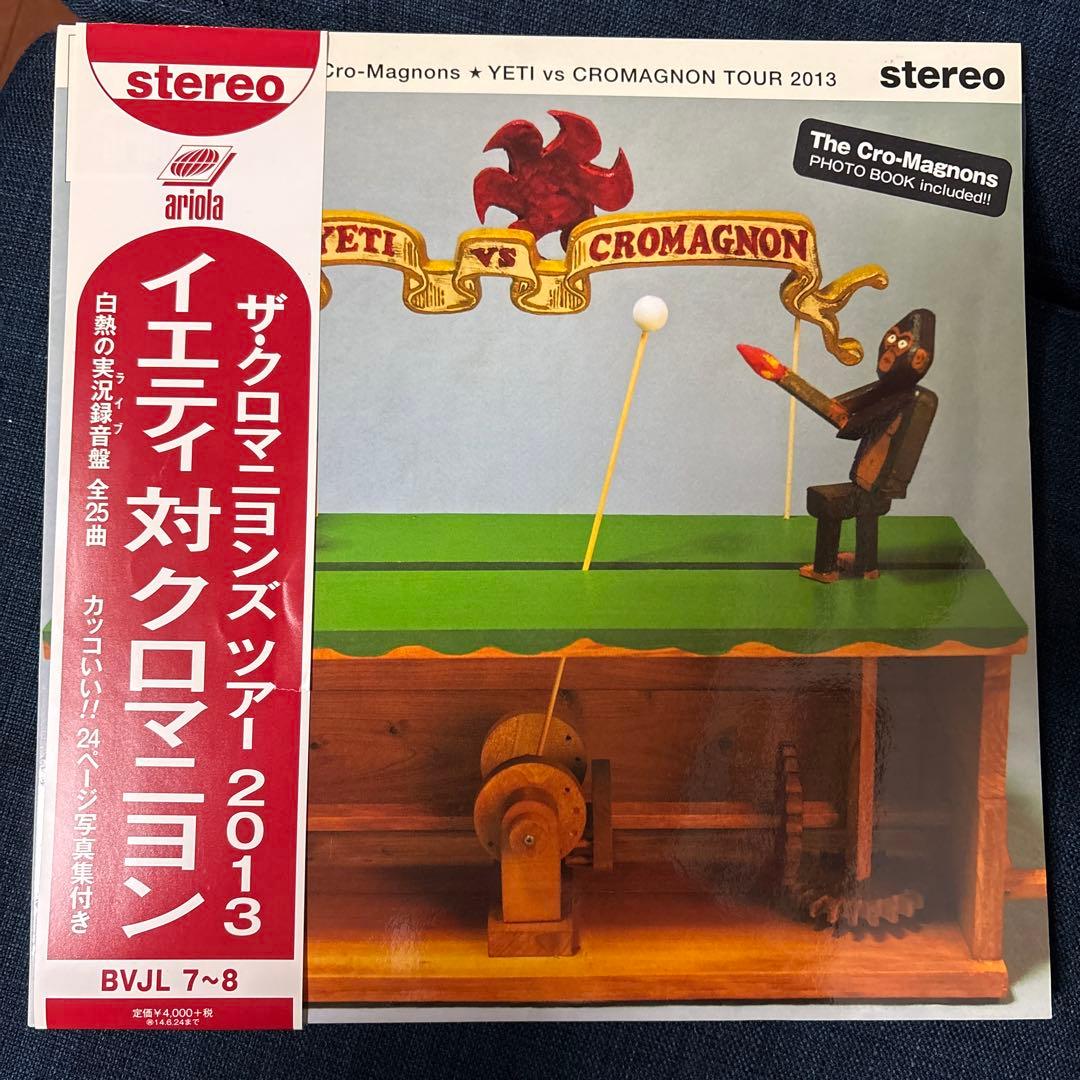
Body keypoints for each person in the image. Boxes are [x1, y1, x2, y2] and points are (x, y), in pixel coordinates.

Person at [737, 309, 938, 582]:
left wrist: (785, 378)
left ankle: (825, 568)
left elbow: (851, 426)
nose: (890, 349)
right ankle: (867, 565)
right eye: (891, 339)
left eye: (901, 343)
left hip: (875, 484)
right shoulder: (893, 391)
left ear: (919, 357)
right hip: (873, 484)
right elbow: (842, 407)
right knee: (867, 515)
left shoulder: (905, 397)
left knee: (826, 501)